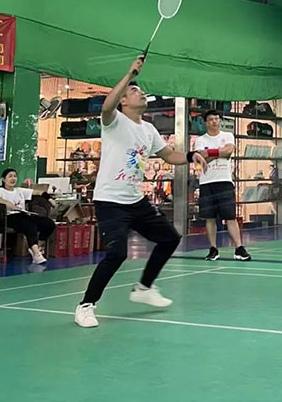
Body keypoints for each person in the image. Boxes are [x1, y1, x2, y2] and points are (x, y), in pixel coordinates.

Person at [75, 56, 208, 328]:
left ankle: (144, 288)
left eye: (140, 89)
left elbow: (169, 155)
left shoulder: (148, 129)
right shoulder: (113, 122)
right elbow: (107, 105)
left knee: (170, 239)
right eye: (134, 91)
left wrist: (191, 155)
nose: (141, 92)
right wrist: (129, 75)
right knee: (117, 253)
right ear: (123, 101)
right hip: (110, 201)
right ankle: (86, 305)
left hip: (136, 201)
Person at [195, 109, 251, 261]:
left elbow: (228, 151)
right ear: (205, 123)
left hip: (224, 182)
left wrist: (209, 153)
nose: (215, 121)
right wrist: (219, 153)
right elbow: (201, 159)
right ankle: (213, 249)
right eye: (211, 119)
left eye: (217, 119)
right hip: (207, 183)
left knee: (230, 217)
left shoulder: (227, 136)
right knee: (210, 218)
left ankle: (239, 248)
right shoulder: (200, 140)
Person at [0, 169, 57, 264]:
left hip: (24, 215)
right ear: (3, 179)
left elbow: (38, 192)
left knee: (48, 223)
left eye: (15, 176)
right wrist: (7, 203)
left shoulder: (19, 190)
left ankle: (38, 247)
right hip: (9, 217)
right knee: (29, 224)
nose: (13, 178)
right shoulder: (0, 190)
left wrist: (49, 199)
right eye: (10, 176)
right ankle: (36, 254)